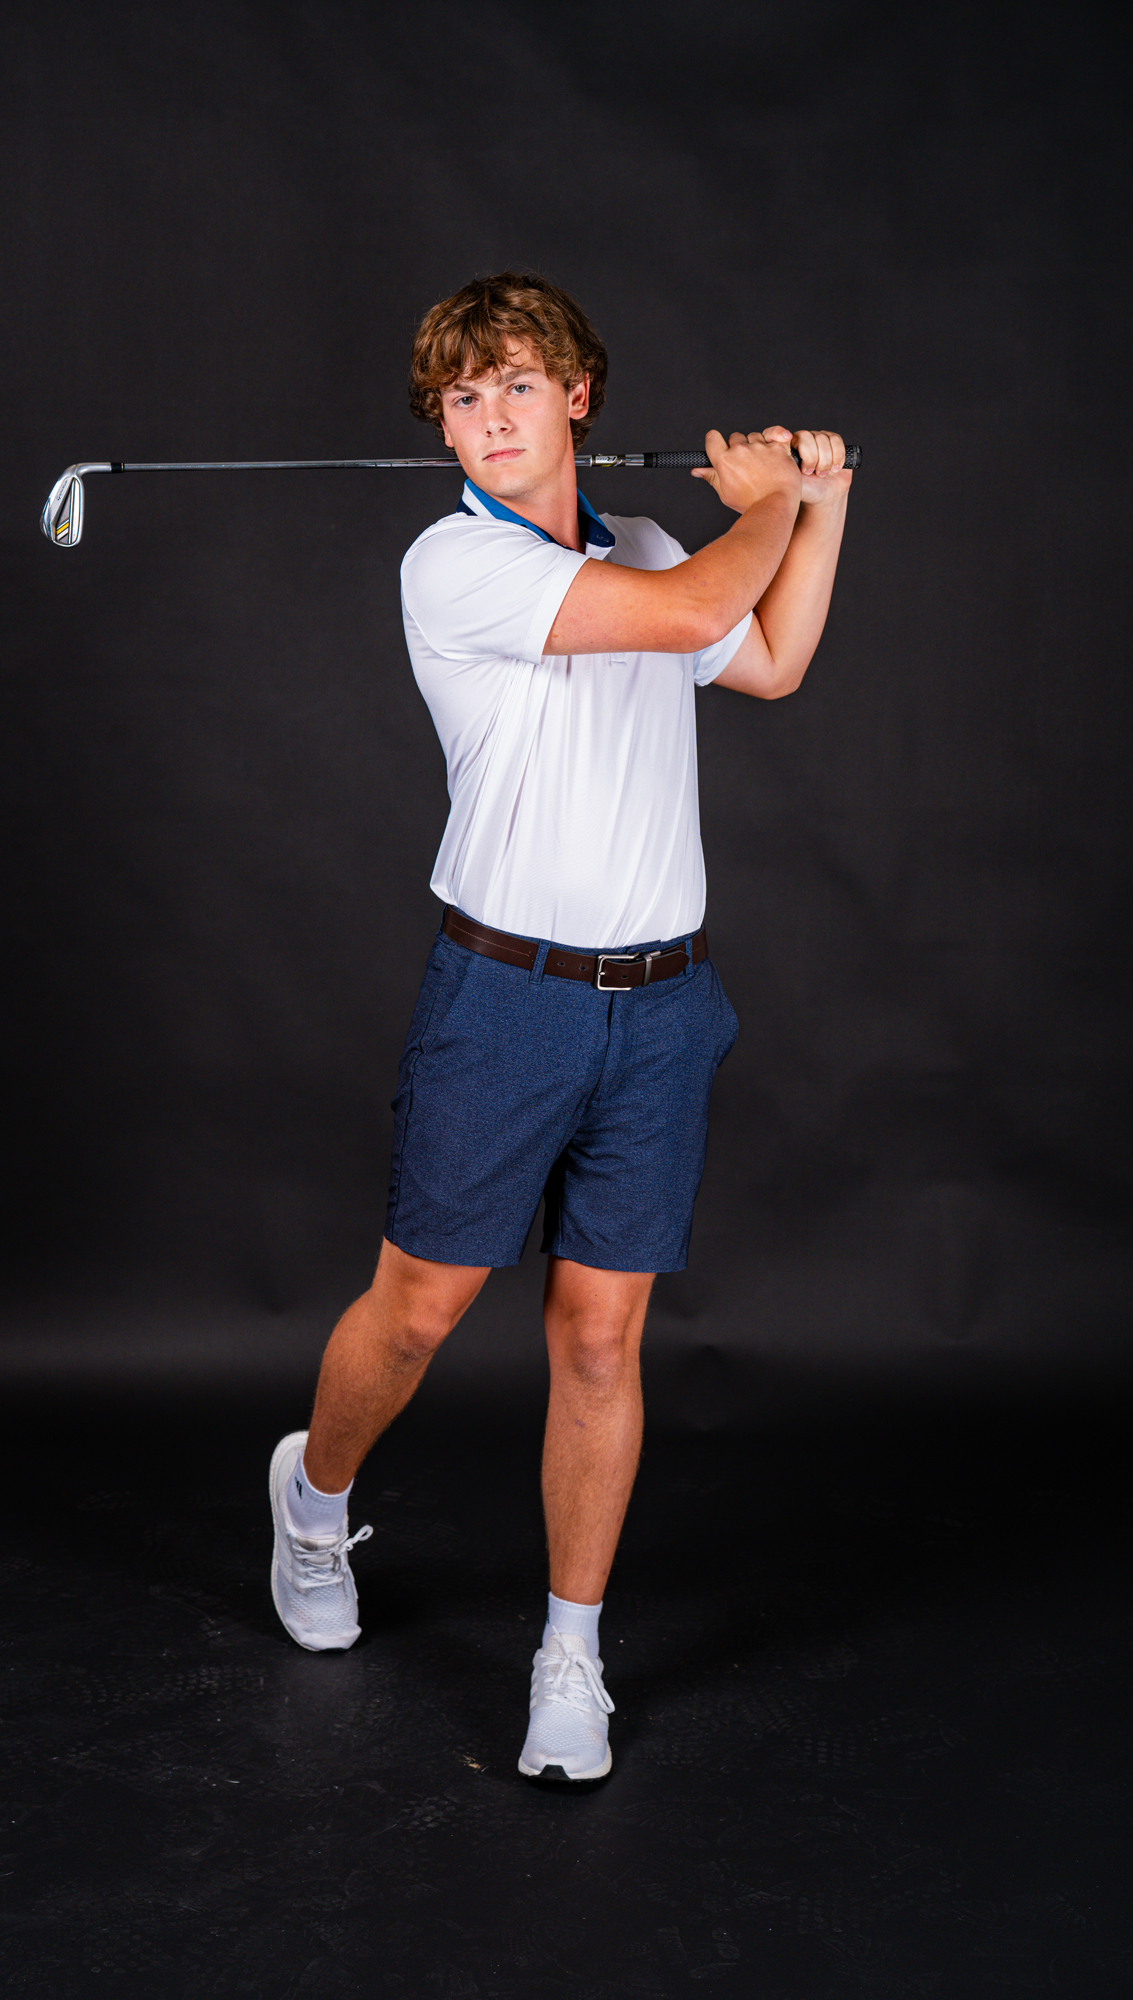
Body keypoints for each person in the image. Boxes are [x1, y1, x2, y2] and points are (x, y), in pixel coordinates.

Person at [268, 272, 852, 1781]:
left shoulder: (650, 538)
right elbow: (699, 608)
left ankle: (569, 1656)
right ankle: (314, 1501)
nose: (487, 418)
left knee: (601, 1340)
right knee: (419, 1312)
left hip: (661, 1009)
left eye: (516, 384)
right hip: (505, 1000)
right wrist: (768, 506)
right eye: (461, 398)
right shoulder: (454, 564)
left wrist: (821, 503)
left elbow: (770, 659)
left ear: (578, 396)